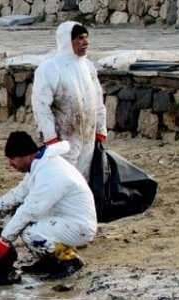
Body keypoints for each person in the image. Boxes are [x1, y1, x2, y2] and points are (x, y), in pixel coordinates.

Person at [0, 131, 97, 279]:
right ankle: (49, 261)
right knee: (17, 221)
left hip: (78, 226)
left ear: (26, 155)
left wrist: (4, 240)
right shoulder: (40, 164)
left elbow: (29, 211)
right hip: (62, 218)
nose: (10, 164)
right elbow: (19, 193)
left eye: (13, 158)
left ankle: (69, 261)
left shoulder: (50, 172)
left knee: (30, 233)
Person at [32, 21, 108, 181]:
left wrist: (101, 128)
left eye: (86, 37)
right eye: (80, 38)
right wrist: (50, 137)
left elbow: (97, 98)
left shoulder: (88, 67)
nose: (86, 42)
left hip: (88, 136)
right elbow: (41, 106)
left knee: (85, 179)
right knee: (64, 180)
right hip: (64, 138)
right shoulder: (50, 68)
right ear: (68, 40)